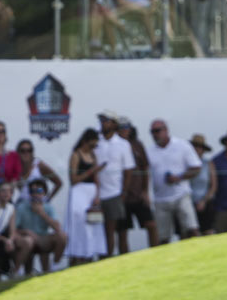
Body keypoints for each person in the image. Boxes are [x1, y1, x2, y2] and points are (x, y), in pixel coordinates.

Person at [146, 119, 203, 241]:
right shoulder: (149, 151)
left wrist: (179, 177)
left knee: (191, 229)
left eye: (157, 131)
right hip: (160, 199)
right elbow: (145, 175)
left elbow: (196, 168)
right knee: (163, 237)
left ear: (166, 130)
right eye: (152, 132)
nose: (155, 134)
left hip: (181, 195)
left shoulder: (182, 145)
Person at [94, 111, 136, 256]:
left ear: (113, 124)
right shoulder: (95, 141)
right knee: (98, 230)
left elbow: (128, 170)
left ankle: (107, 259)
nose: (102, 123)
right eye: (101, 120)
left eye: (106, 120)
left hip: (114, 193)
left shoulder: (123, 144)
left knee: (110, 230)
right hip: (95, 194)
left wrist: (124, 192)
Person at [65, 129, 107, 264]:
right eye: (91, 145)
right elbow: (73, 179)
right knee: (79, 225)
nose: (93, 148)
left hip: (91, 192)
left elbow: (96, 178)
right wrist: (91, 171)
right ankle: (77, 255)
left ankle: (90, 254)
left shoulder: (93, 155)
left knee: (92, 225)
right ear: (84, 142)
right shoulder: (76, 155)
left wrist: (97, 195)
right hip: (79, 192)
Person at [116, 119, 158, 252]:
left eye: (126, 127)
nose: (124, 130)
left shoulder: (137, 145)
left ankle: (156, 254)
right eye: (121, 128)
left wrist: (145, 191)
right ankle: (124, 260)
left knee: (151, 225)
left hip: (138, 195)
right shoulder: (114, 146)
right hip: (122, 196)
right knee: (122, 231)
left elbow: (145, 168)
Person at [16, 178, 67, 274]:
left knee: (62, 236)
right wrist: (27, 232)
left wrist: (42, 214)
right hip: (28, 240)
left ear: (44, 193)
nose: (36, 194)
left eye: (39, 191)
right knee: (28, 241)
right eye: (32, 191)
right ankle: (17, 271)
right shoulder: (22, 207)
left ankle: (55, 266)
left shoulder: (48, 207)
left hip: (44, 239)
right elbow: (13, 229)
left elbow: (57, 228)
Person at [0, 182, 32, 279]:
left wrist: (10, 240)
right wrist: (4, 240)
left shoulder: (11, 208)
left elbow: (12, 229)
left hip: (2, 238)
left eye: (9, 191)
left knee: (27, 241)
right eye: (3, 191)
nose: (6, 193)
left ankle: (15, 272)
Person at [188, 134, 217, 235]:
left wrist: (204, 201)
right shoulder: (185, 164)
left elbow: (213, 186)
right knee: (190, 234)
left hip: (206, 203)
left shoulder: (208, 164)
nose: (196, 149)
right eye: (194, 146)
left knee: (208, 232)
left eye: (199, 147)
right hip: (188, 203)